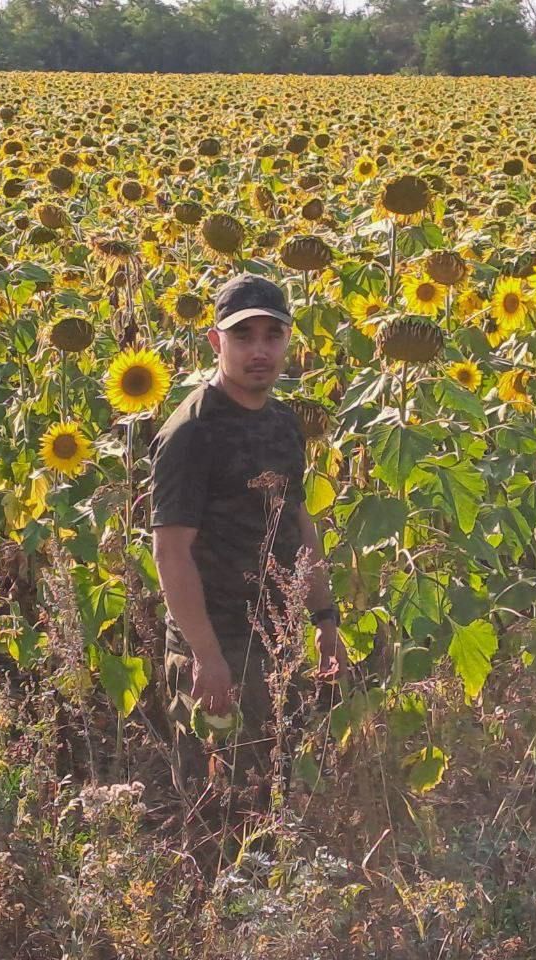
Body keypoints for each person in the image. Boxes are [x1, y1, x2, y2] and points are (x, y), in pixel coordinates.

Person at [148, 272, 347, 806]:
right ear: (216, 342)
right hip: (216, 646)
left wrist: (324, 618)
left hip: (275, 640)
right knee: (212, 803)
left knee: (270, 792)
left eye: (272, 335)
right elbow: (170, 552)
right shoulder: (191, 432)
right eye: (243, 336)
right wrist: (206, 657)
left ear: (288, 339)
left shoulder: (284, 421)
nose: (260, 350)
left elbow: (298, 523)